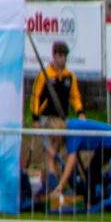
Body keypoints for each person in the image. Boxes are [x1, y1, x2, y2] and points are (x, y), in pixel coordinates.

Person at [31, 40, 85, 195]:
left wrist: (80, 111)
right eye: (59, 55)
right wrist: (35, 118)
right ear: (53, 56)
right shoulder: (44, 75)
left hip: (62, 120)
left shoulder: (69, 77)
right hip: (47, 119)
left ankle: (50, 184)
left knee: (54, 154)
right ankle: (54, 186)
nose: (62, 59)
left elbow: (75, 96)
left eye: (64, 56)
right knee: (51, 153)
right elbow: (36, 97)